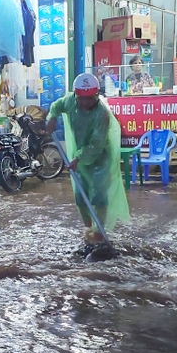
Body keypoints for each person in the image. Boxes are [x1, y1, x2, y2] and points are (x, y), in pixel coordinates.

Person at [46, 73, 129, 245]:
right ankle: (87, 228)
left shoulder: (102, 115)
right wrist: (52, 118)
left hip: (100, 158)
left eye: (90, 99)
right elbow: (56, 105)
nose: (85, 103)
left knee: (99, 195)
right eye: (82, 99)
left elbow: (96, 144)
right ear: (76, 95)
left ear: (96, 95)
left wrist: (78, 158)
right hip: (79, 157)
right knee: (80, 194)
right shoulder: (70, 101)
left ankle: (99, 231)